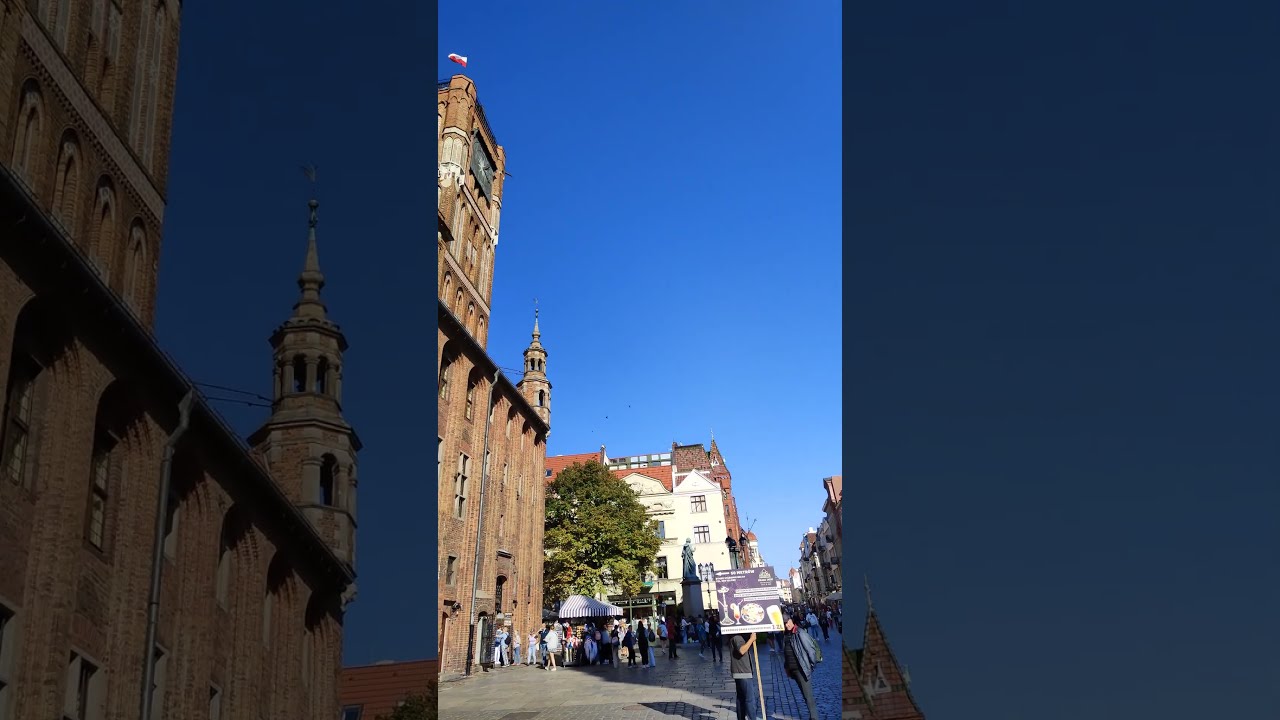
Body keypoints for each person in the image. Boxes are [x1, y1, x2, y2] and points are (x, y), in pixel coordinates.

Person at [781, 614, 822, 719]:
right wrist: (787, 667)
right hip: (793, 670)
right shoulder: (786, 635)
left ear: (791, 620)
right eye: (784, 624)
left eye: (787, 622)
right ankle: (812, 716)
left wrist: (811, 665)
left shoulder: (800, 632)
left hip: (801, 669)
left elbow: (810, 649)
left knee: (808, 696)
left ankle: (814, 717)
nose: (786, 625)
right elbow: (785, 652)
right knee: (805, 695)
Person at [731, 633, 763, 720]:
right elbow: (742, 650)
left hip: (740, 672)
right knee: (749, 700)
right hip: (743, 672)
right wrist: (751, 639)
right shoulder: (737, 637)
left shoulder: (736, 636)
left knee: (741, 699)